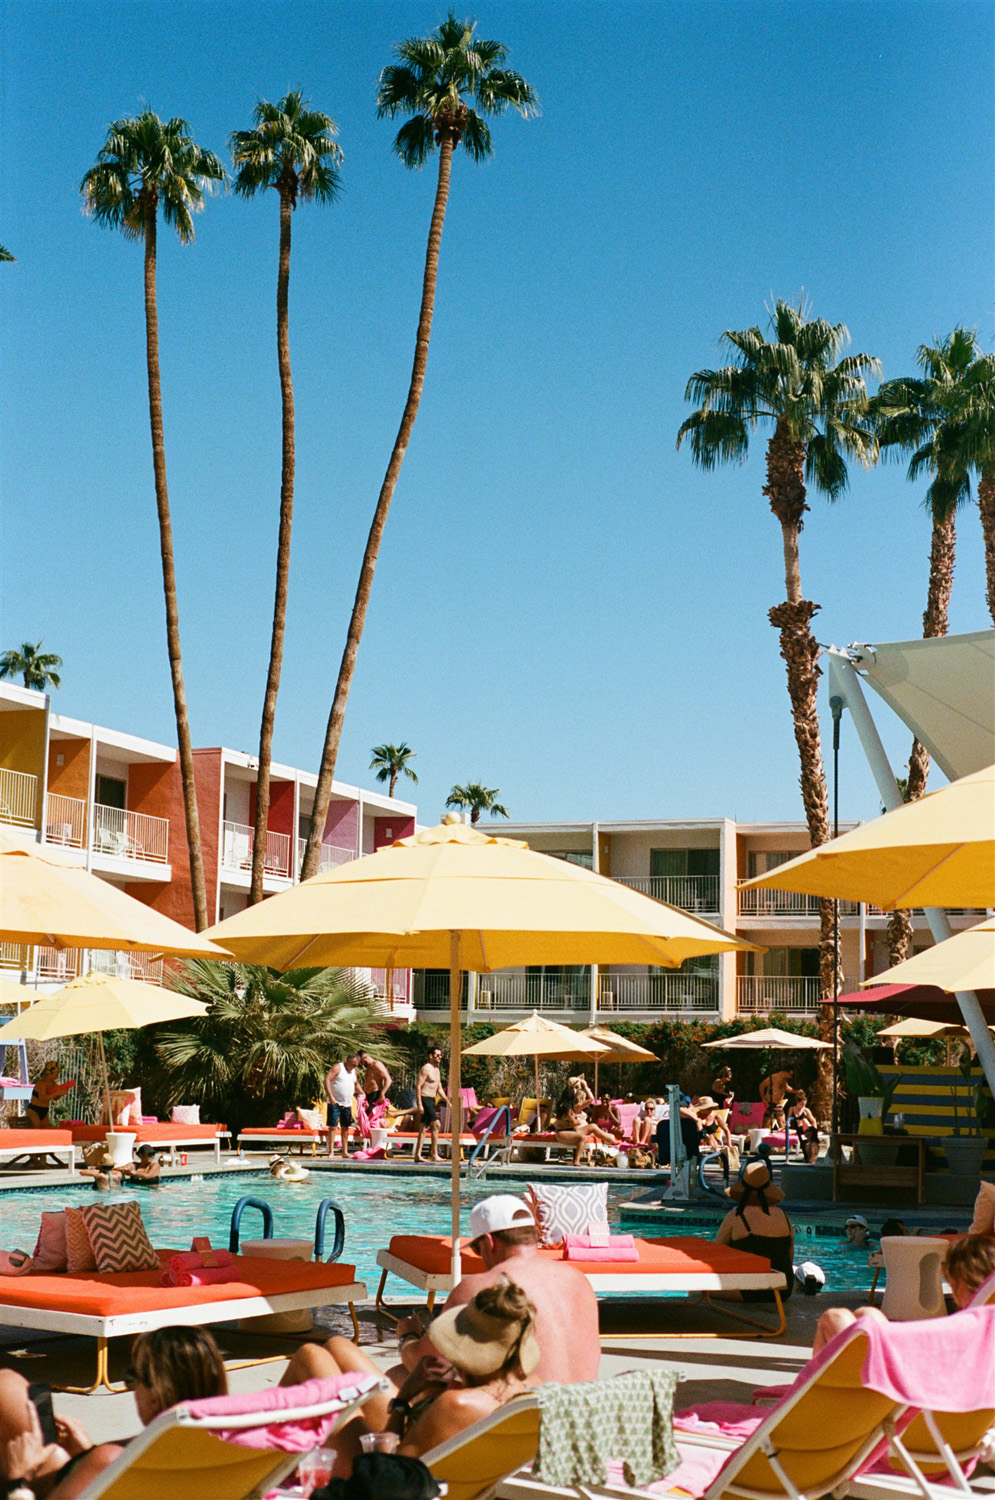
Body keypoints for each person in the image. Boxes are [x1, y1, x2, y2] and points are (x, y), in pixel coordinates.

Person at [278, 1277, 540, 1478]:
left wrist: (404, 1399)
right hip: (430, 1456)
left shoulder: (456, 1405)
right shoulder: (532, 1390)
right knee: (338, 1346)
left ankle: (269, 1462)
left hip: (382, 1476)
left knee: (310, 1356)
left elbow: (389, 1472)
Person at [395, 1194, 600, 1386]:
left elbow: (426, 1363)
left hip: (527, 1414)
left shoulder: (483, 1286)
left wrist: (408, 1337)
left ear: (490, 1242)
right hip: (583, 1409)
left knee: (397, 1376)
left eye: (476, 1249)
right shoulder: (578, 1279)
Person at [0, 1326, 227, 1499]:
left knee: (6, 1388)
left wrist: (17, 1479)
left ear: (155, 1395)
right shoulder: (224, 1449)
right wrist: (87, 1453)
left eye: (132, 1378)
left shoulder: (112, 1459)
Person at [813, 1233, 995, 1353]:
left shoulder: (965, 1331)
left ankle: (813, 1390)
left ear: (956, 1283)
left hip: (901, 1384)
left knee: (833, 1318)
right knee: (868, 1314)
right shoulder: (985, 1328)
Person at [714, 1160, 794, 1302]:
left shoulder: (736, 1216)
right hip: (783, 1290)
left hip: (749, 1290)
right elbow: (789, 1256)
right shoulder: (784, 1216)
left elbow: (715, 1254)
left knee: (696, 1290)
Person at [553, 1092, 617, 1166]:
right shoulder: (567, 1109)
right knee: (582, 1138)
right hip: (562, 1133)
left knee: (593, 1126)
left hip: (572, 1130)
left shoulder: (569, 1108)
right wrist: (578, 1120)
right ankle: (576, 1161)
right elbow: (575, 1123)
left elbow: (573, 1123)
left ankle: (611, 1141)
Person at [413, 1047, 451, 1164]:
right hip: (425, 1098)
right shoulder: (426, 1069)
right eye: (437, 1055)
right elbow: (418, 1086)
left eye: (440, 1055)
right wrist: (419, 1103)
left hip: (432, 1099)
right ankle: (434, 1154)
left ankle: (418, 1155)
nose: (440, 1057)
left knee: (424, 1127)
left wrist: (447, 1101)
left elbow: (439, 1088)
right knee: (436, 1124)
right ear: (430, 1056)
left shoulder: (437, 1070)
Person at [79, 1142, 161, 1191]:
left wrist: (132, 1173)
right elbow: (121, 1168)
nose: (152, 1156)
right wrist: (106, 1169)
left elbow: (146, 1176)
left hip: (152, 1191)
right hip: (138, 1191)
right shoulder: (135, 1165)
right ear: (141, 1155)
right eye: (150, 1154)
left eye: (153, 1154)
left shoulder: (155, 1166)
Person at [325, 1053, 359, 1159]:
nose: (354, 1067)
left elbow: (356, 1084)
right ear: (347, 1061)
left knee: (345, 1128)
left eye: (356, 1065)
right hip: (335, 1103)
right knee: (333, 1127)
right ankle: (331, 1151)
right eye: (353, 1064)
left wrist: (362, 1094)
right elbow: (326, 1080)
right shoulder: (338, 1068)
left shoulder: (353, 1071)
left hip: (347, 1104)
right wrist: (331, 1097)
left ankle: (345, 1151)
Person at [25, 1063, 75, 1129]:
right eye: (56, 1073)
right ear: (49, 1073)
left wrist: (61, 1093)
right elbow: (43, 1098)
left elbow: (55, 1098)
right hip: (34, 1110)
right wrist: (57, 1093)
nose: (57, 1074)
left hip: (44, 1110)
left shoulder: (53, 1083)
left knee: (46, 1130)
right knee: (37, 1129)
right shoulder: (42, 1084)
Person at [785, 1089, 820, 1163]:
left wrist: (814, 1129)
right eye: (802, 1104)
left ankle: (812, 1135)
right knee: (803, 1122)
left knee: (805, 1121)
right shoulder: (791, 1109)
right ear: (797, 1102)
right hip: (795, 1128)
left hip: (805, 1129)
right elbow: (788, 1120)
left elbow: (813, 1121)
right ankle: (810, 1155)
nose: (803, 1106)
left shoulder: (806, 1110)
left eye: (804, 1104)